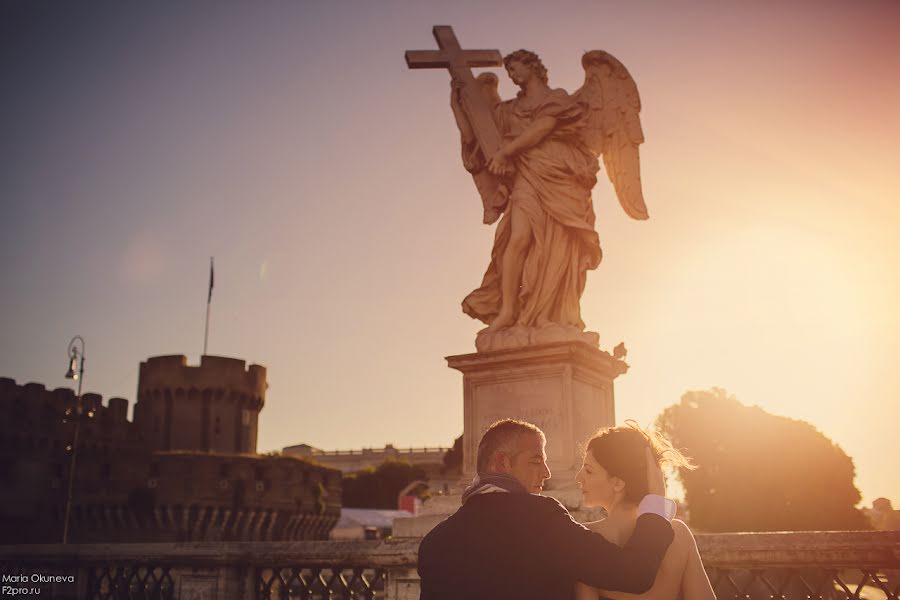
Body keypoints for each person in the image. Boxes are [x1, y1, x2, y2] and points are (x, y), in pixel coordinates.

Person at [417, 419, 677, 600]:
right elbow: (634, 573)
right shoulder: (539, 517)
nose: (547, 472)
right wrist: (655, 503)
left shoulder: (434, 542)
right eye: (536, 460)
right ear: (503, 462)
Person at [450, 50, 602, 335]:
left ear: (534, 67)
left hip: (561, 175)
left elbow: (542, 128)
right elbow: (474, 137)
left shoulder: (557, 98)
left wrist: (506, 152)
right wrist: (457, 103)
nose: (513, 76)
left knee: (559, 243)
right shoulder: (507, 111)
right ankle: (508, 311)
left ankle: (552, 313)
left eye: (517, 69)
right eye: (509, 73)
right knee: (517, 239)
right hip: (528, 177)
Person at [574, 422, 716, 600]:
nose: (578, 477)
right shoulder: (679, 534)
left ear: (618, 483)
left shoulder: (584, 538)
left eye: (588, 471)